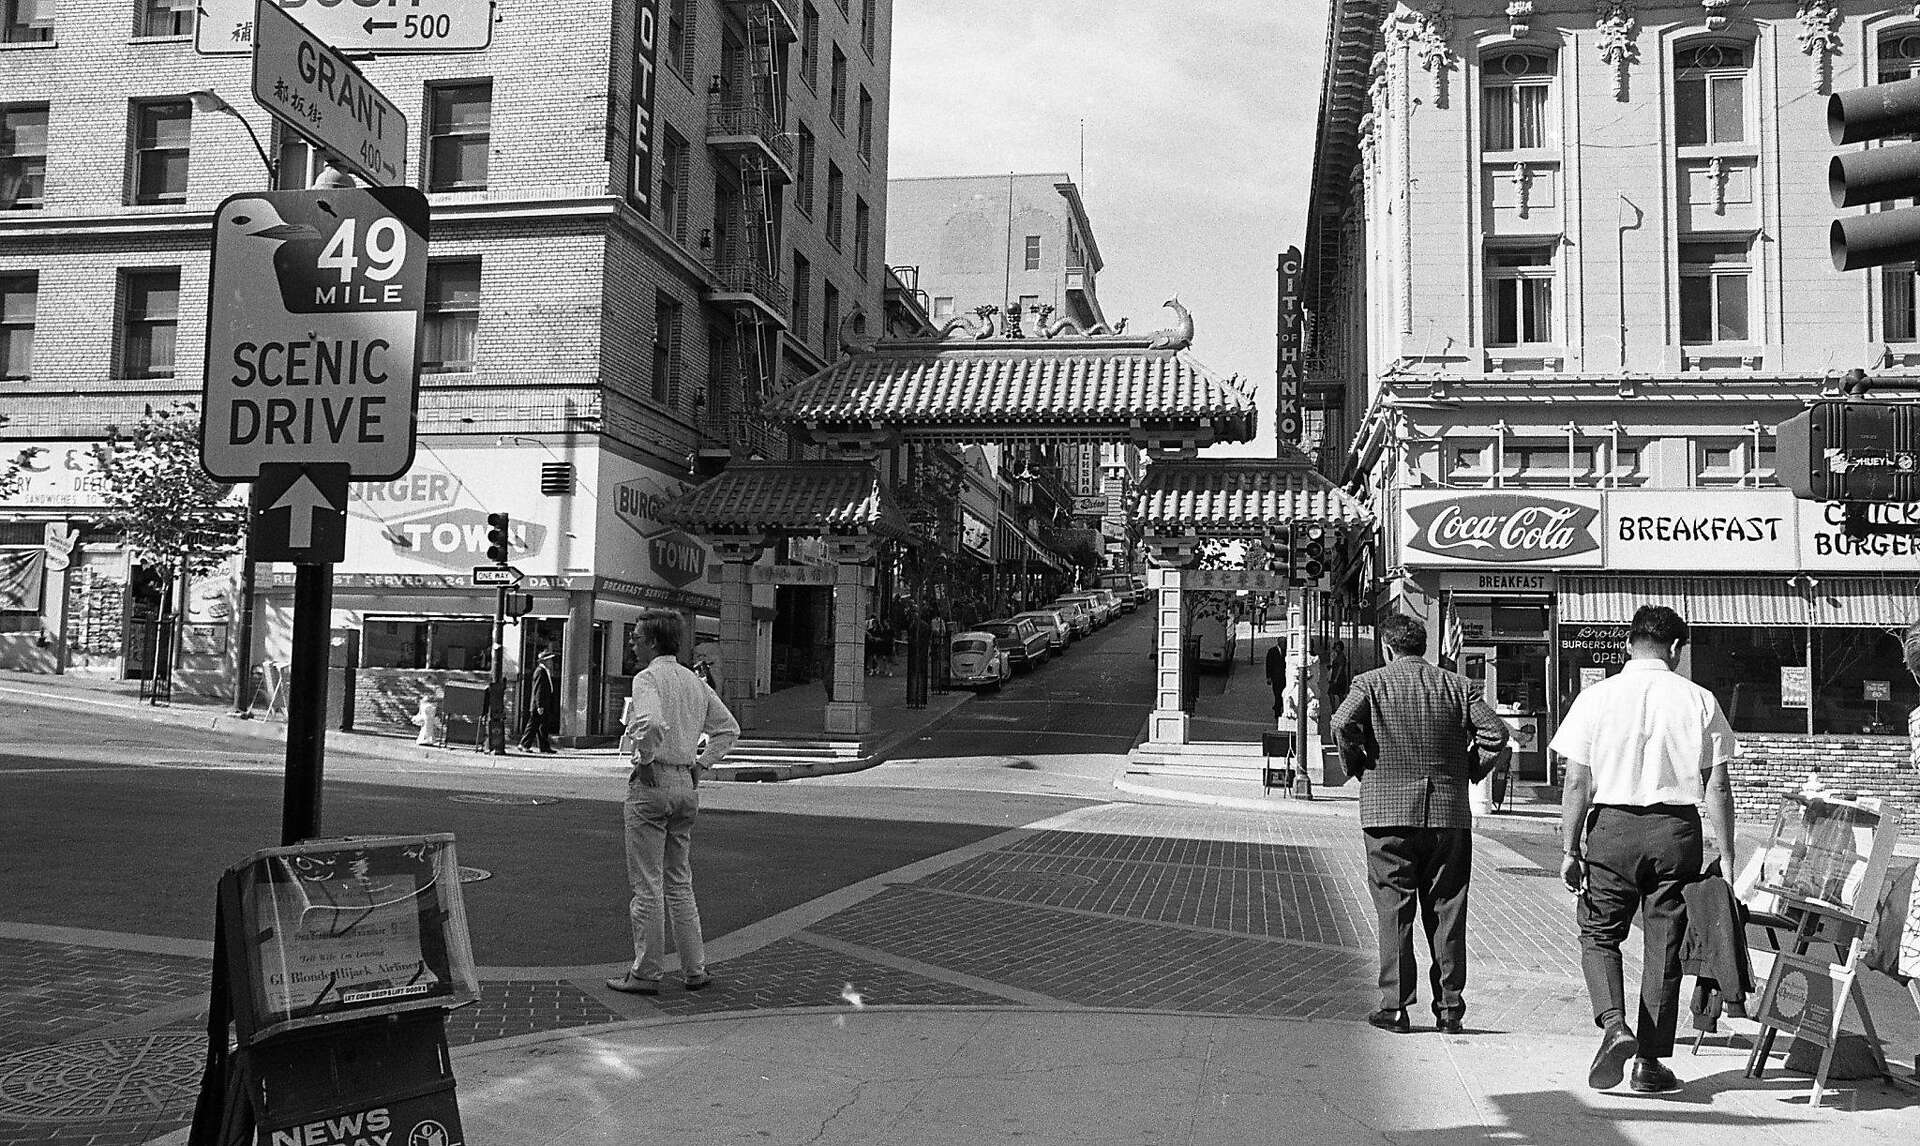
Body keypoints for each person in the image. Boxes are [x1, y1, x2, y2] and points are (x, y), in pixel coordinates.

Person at [1551, 604, 1737, 1094]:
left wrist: (1570, 849)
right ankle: (1649, 1063)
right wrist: (1730, 854)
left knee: (1598, 934)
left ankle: (1614, 1025)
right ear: (1675, 648)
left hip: (1612, 828)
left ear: (1629, 644)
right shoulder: (1700, 699)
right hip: (1675, 831)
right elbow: (1716, 787)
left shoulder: (1596, 698)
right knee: (1664, 945)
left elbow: (1576, 781)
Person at [1331, 614, 1510, 1036]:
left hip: (1386, 812)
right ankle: (1450, 1008)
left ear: (1388, 647)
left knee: (1394, 908)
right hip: (1447, 813)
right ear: (1424, 646)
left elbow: (1341, 723)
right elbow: (1496, 733)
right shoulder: (1457, 686)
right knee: (1448, 908)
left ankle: (1395, 1006)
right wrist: (1468, 770)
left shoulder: (1370, 684)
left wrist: (1358, 764)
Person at [606, 611, 740, 996]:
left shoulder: (648, 678)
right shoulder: (693, 681)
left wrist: (645, 759)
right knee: (679, 880)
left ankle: (646, 971)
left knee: (646, 883)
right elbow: (728, 728)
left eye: (635, 637)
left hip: (655, 781)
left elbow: (648, 723)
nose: (632, 644)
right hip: (685, 781)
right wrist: (702, 763)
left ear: (652, 642)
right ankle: (694, 968)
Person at [516, 649, 558, 754]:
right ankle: (524, 744)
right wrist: (539, 705)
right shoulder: (540, 672)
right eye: (549, 660)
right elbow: (538, 689)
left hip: (543, 704)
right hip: (539, 705)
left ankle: (544, 747)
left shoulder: (544, 671)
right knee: (533, 725)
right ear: (543, 661)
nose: (551, 662)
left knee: (542, 726)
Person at [1264, 635, 1288, 718]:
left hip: (1285, 678)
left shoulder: (1288, 651)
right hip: (1276, 678)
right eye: (1283, 643)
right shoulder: (1272, 651)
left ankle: (1279, 708)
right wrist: (1268, 677)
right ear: (1279, 643)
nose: (1285, 645)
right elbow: (1268, 665)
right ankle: (1277, 711)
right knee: (1277, 694)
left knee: (1284, 694)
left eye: (1285, 643)